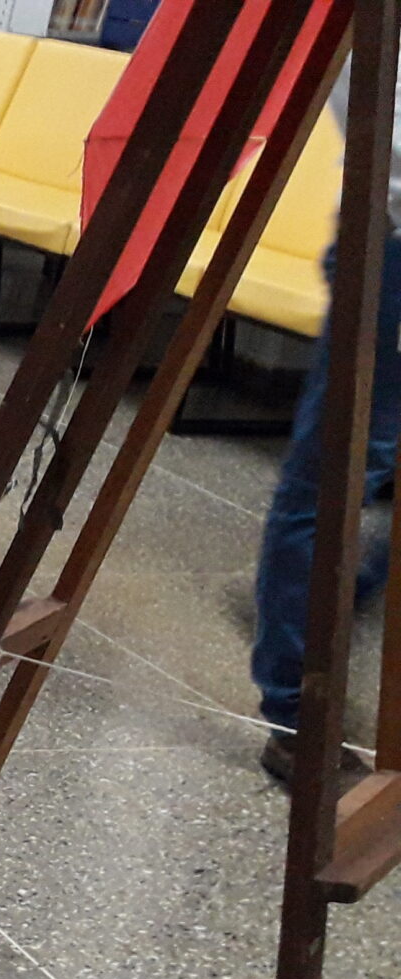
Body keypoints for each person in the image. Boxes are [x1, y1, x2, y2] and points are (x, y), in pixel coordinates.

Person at [251, 71, 401, 786]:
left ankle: (342, 591)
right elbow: (379, 119)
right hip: (391, 245)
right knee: (336, 474)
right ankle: (297, 716)